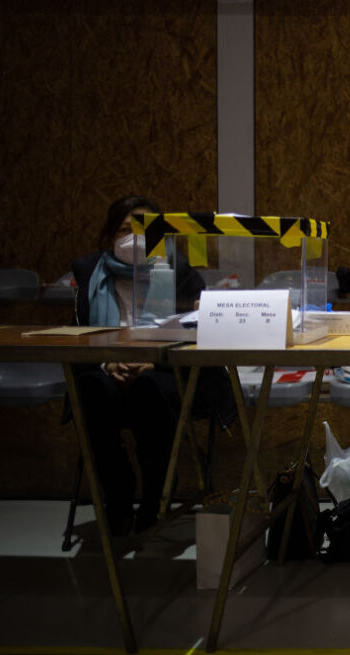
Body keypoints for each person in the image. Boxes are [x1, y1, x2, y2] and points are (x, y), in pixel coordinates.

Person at [71, 195, 234, 536]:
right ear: (109, 236)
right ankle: (116, 493)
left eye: (146, 229)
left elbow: (197, 332)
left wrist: (156, 361)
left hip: (169, 373)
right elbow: (80, 334)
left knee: (149, 389)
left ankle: (155, 495)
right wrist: (105, 361)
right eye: (125, 229)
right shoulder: (90, 274)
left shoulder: (180, 273)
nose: (135, 237)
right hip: (109, 371)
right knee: (89, 386)